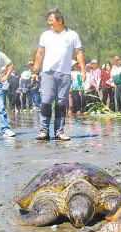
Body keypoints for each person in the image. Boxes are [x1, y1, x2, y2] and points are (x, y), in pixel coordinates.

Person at [31, 8, 85, 140]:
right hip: (48, 73)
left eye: (51, 21)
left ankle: (59, 131)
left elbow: (79, 53)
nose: (49, 24)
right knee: (46, 101)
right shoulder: (46, 35)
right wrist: (35, 71)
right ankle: (44, 131)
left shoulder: (72, 35)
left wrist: (83, 70)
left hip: (65, 74)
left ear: (60, 20)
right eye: (48, 21)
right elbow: (39, 53)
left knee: (61, 103)